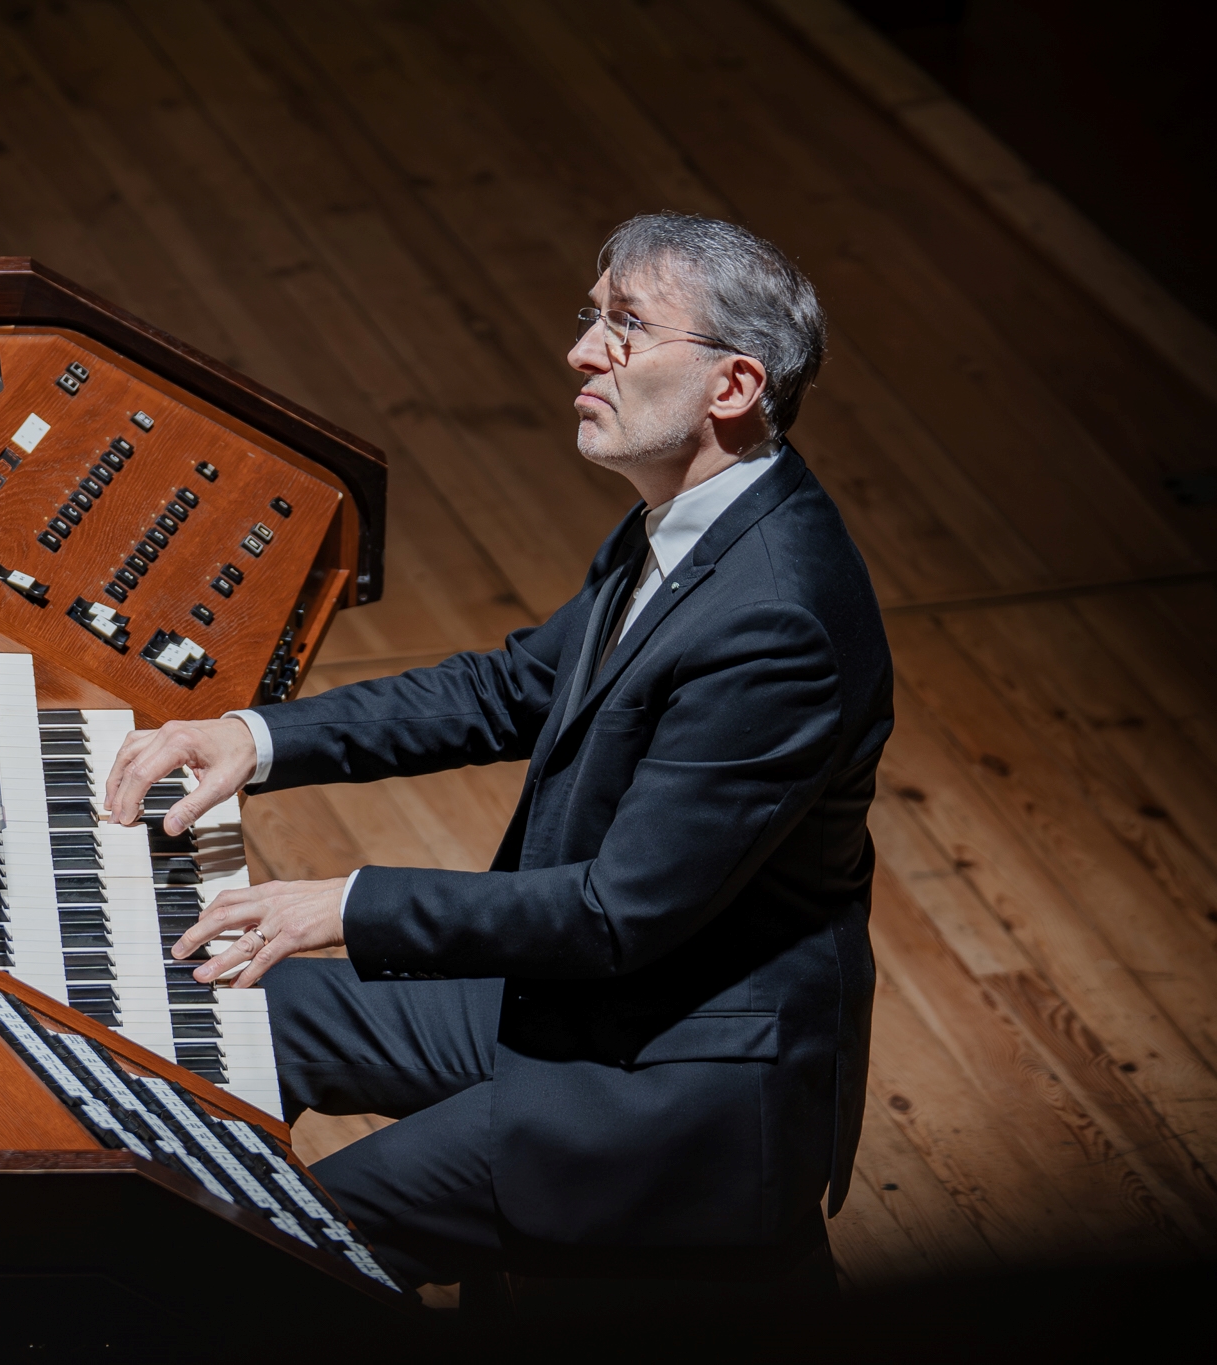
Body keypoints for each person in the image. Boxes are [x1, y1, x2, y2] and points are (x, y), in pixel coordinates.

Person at [104, 212, 892, 1295]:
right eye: (589, 317)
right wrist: (256, 735)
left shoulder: (775, 624)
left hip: (674, 1076)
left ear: (732, 386)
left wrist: (343, 904)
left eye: (624, 327)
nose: (580, 351)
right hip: (602, 1000)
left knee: (284, 1246)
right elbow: (513, 686)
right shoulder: (683, 519)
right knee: (227, 1006)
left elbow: (616, 913)